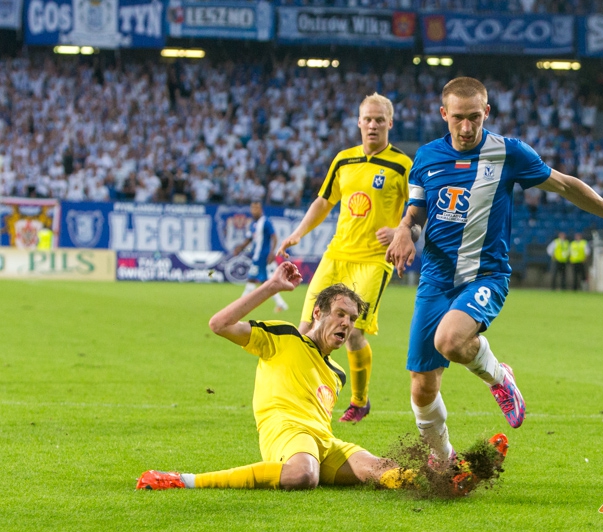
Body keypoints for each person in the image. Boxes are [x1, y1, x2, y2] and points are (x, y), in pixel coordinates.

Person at [385, 77, 603, 465]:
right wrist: (403, 232)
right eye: (458, 117)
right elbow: (414, 212)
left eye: (474, 117)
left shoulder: (509, 153)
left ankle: (498, 376)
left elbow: (564, 185)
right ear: (443, 114)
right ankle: (444, 461)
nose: (466, 127)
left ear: (487, 113)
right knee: (422, 386)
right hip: (436, 279)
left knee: (450, 341)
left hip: (485, 275)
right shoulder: (426, 157)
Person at [135, 262, 462, 492]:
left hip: (323, 442)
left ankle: (449, 479)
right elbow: (218, 324)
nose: (346, 324)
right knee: (303, 476)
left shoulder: (337, 373)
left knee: (377, 469)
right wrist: (273, 286)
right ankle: (184, 479)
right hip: (287, 435)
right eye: (339, 314)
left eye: (351, 318)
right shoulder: (284, 338)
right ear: (318, 313)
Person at [276, 93, 412, 423]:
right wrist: (298, 233)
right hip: (337, 254)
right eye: (367, 118)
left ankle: (359, 400)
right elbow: (324, 201)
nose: (373, 125)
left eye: (380, 119)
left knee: (350, 331)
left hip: (374, 260)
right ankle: (301, 392)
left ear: (390, 123)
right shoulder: (344, 160)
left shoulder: (403, 165)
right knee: (307, 325)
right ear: (359, 122)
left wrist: (399, 231)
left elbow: (416, 210)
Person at [233, 201, 289, 312]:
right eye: (253, 208)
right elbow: (249, 239)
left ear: (261, 209)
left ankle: (238, 306)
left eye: (257, 208)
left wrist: (272, 252)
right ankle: (281, 304)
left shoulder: (266, 222)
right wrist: (240, 248)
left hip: (262, 257)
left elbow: (274, 237)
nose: (254, 210)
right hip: (257, 256)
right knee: (263, 282)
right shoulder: (253, 224)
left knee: (253, 280)